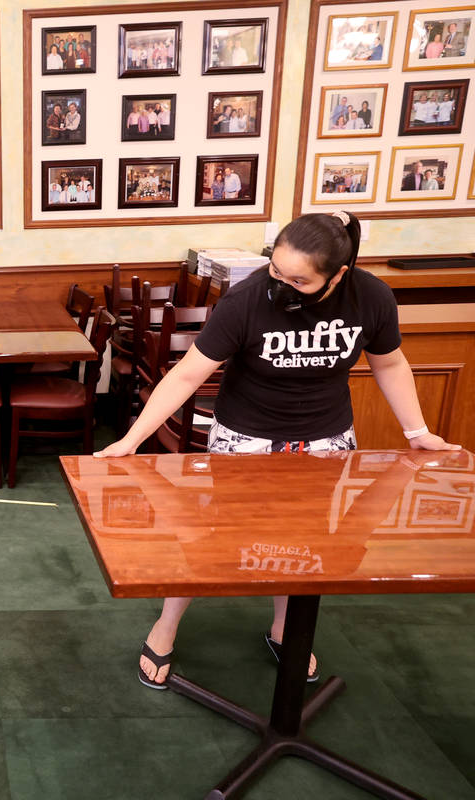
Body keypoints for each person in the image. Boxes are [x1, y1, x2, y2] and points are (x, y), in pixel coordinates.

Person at [95, 210, 460, 690]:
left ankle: (286, 628)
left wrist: (417, 430)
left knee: (312, 542)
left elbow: (389, 363)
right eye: (276, 270)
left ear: (339, 276)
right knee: (206, 537)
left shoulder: (371, 296)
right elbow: (187, 374)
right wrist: (132, 440)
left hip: (326, 437)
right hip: (246, 434)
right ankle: (166, 626)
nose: (283, 285)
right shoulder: (245, 300)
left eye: (300, 280)